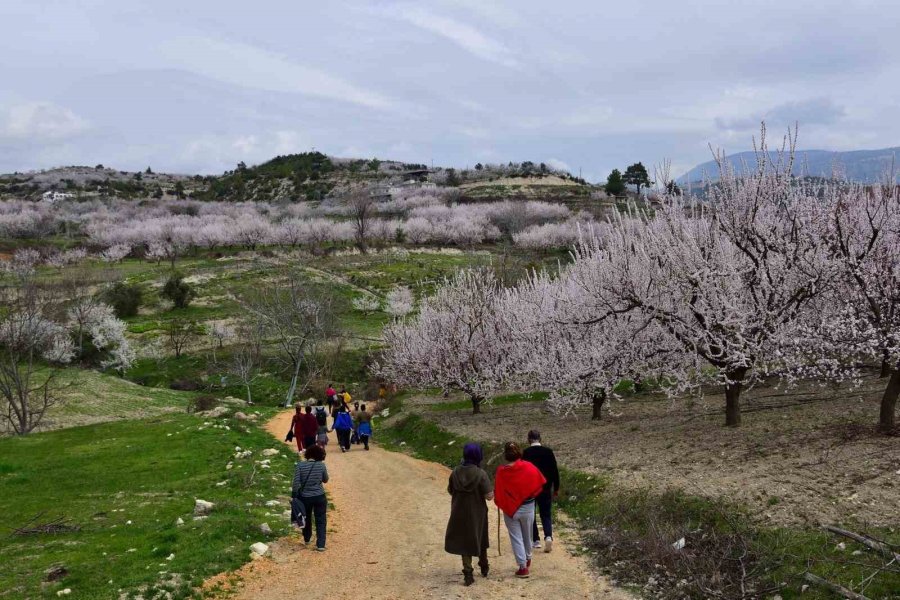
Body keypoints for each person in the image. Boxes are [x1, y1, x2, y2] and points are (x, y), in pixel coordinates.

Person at [494, 441, 546, 579]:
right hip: (528, 508)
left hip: (510, 510)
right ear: (519, 452)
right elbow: (538, 484)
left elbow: (498, 491)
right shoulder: (529, 467)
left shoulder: (501, 471)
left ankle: (522, 567)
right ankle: (527, 559)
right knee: (528, 535)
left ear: (506, 455)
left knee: (516, 537)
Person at [445, 443, 493, 586]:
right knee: (480, 536)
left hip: (459, 511)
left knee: (464, 540)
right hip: (477, 513)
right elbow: (489, 496)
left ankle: (468, 572)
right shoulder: (481, 474)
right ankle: (484, 564)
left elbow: (450, 490)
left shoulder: (455, 472)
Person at [523, 430, 561, 553]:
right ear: (540, 439)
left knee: (531, 514)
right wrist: (556, 488)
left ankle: (536, 540)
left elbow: (522, 472)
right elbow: (555, 471)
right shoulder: (548, 452)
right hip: (545, 488)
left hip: (530, 489)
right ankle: (548, 536)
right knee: (546, 514)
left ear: (529, 439)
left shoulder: (526, 453)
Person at [292, 444, 329, 551]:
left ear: (307, 454)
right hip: (320, 496)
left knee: (306, 517)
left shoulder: (300, 465)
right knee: (321, 519)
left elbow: (296, 483)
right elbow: (325, 480)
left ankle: (307, 539)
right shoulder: (321, 465)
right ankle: (321, 544)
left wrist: (294, 495)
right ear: (320, 455)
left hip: (305, 497)